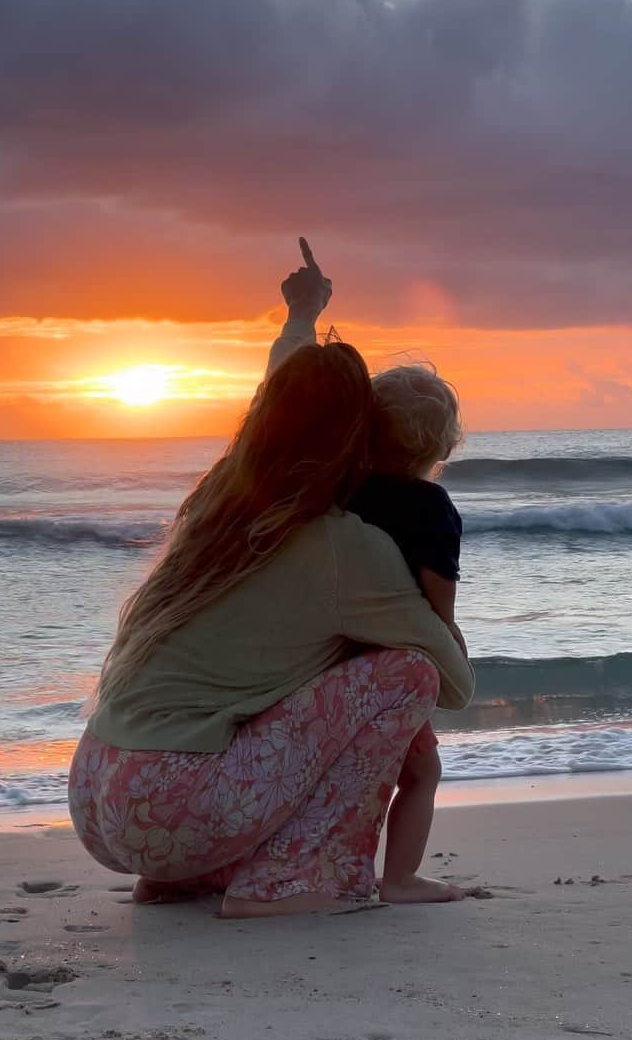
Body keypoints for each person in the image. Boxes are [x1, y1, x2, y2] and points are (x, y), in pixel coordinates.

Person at [68, 311, 475, 918]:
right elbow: (454, 685)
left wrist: (301, 317)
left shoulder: (223, 498)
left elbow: (280, 392)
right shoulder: (343, 547)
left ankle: (184, 877)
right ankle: (290, 881)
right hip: (173, 807)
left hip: (98, 793)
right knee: (408, 674)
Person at [268, 239, 468, 899]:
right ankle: (401, 876)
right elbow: (436, 607)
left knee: (321, 770)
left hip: (315, 658)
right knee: (419, 772)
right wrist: (452, 658)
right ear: (439, 448)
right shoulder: (430, 508)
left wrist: (302, 316)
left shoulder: (338, 486)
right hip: (387, 664)